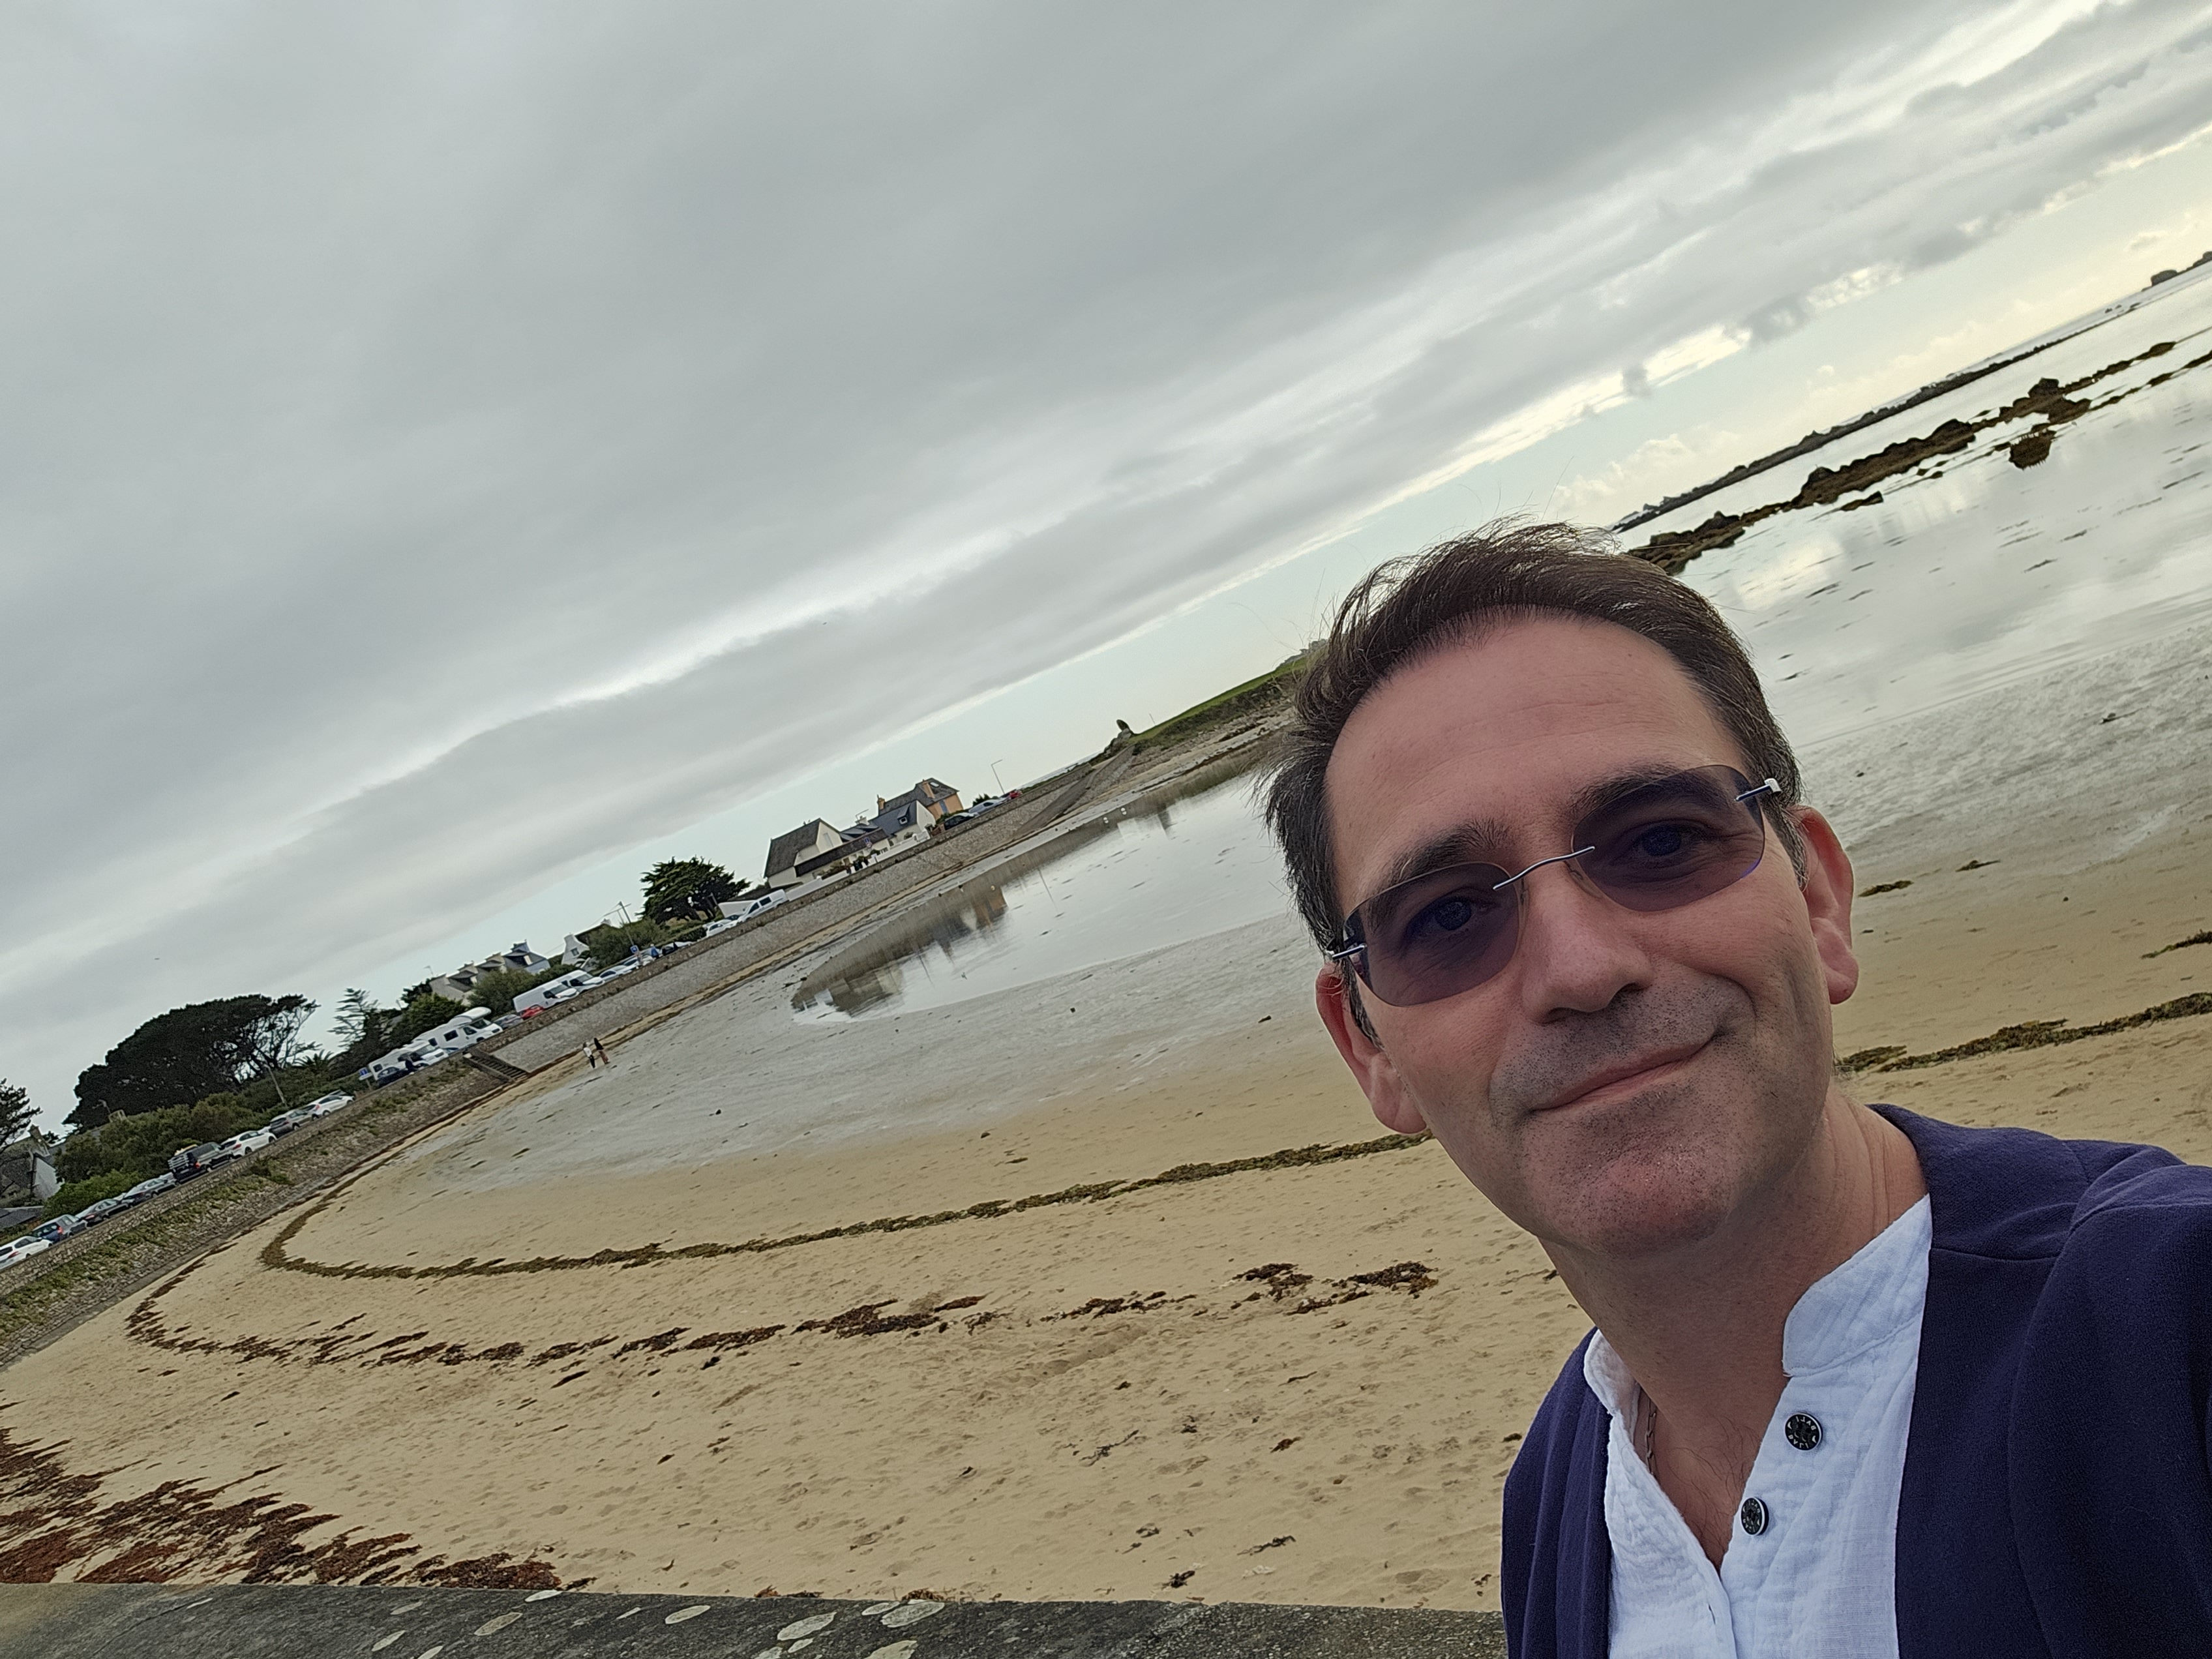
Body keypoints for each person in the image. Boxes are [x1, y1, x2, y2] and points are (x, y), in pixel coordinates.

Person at [1263, 521, 2212, 1656]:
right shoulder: (1561, 1500)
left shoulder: (2170, 1334)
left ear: (1819, 902)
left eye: (1660, 842)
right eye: (1450, 915)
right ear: (1368, 1046)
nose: (1582, 969)